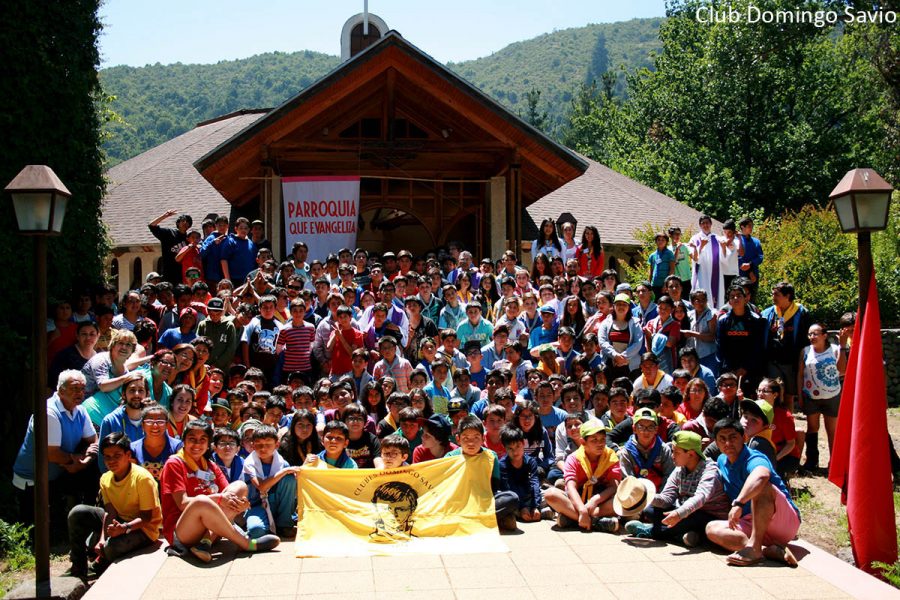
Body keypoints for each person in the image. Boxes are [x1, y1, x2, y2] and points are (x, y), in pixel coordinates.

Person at [705, 418, 800, 567]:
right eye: (722, 439)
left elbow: (761, 475)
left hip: (782, 520)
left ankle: (754, 549)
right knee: (712, 529)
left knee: (762, 486)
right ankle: (766, 550)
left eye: (733, 437)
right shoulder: (722, 460)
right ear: (716, 443)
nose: (728, 443)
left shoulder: (754, 457)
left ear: (744, 438)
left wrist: (739, 503)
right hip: (751, 522)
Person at [67, 433, 162, 578]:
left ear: (128, 455)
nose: (112, 461)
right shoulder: (105, 478)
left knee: (110, 547)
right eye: (107, 457)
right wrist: (102, 538)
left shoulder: (142, 478)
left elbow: (146, 517)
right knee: (78, 512)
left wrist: (124, 529)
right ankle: (78, 566)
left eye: (117, 455)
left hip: (143, 529)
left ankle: (101, 563)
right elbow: (110, 511)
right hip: (119, 521)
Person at [13, 370, 99, 528]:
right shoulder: (49, 412)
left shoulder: (80, 409)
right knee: (33, 529)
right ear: (61, 390)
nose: (80, 393)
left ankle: (88, 526)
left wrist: (85, 461)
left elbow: (93, 440)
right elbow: (52, 454)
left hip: (60, 472)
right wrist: (77, 461)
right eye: (75, 388)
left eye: (82, 388)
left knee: (95, 469)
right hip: (34, 477)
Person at [624, 431, 730, 546]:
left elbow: (701, 497)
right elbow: (666, 498)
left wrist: (679, 514)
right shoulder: (679, 469)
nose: (672, 455)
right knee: (650, 509)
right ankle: (682, 536)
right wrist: (645, 497)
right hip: (686, 512)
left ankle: (651, 531)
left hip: (708, 516)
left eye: (676, 452)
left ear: (691, 454)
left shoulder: (710, 471)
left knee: (694, 518)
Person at [544, 419, 621, 532]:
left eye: (602, 439)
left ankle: (572, 519)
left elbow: (613, 486)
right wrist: (582, 509)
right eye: (594, 440)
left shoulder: (610, 456)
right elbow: (570, 487)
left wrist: (595, 500)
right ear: (583, 442)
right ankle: (596, 522)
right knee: (550, 494)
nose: (600, 443)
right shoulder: (574, 458)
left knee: (623, 501)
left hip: (601, 501)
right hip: (578, 499)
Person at [446, 415, 519, 531]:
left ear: (483, 439)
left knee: (511, 498)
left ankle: (472, 520)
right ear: (458, 439)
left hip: (483, 502)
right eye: (466, 438)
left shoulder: (491, 456)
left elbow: (494, 487)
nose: (471, 443)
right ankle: (491, 520)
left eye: (476, 437)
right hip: (459, 502)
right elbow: (447, 488)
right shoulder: (450, 458)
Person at [797, 323, 846, 472]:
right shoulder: (805, 351)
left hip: (832, 395)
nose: (812, 337)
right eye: (810, 334)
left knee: (832, 430)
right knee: (812, 428)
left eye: (815, 334)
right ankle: (812, 461)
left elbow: (842, 370)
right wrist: (800, 395)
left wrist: (843, 346)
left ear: (825, 335)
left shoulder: (836, 350)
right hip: (811, 396)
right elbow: (800, 375)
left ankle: (835, 462)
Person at [761, 282, 812, 411]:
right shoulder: (768, 313)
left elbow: (806, 340)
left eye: (776, 294)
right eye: (773, 294)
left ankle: (789, 422)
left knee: (789, 395)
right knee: (773, 393)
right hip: (773, 361)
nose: (773, 297)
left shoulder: (801, 313)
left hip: (792, 362)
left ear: (787, 296)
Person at [243, 425, 300, 539]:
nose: (263, 448)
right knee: (255, 531)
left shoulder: (282, 464)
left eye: (268, 445)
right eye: (259, 444)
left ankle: (284, 524)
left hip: (277, 503)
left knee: (290, 479)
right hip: (257, 505)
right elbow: (261, 487)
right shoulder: (249, 464)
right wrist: (284, 471)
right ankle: (264, 524)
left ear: (277, 445)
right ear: (253, 445)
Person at [716, 285, 765, 397]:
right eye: (732, 296)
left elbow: (757, 347)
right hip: (729, 370)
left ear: (745, 298)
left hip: (750, 370)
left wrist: (745, 368)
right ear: (729, 301)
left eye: (739, 296)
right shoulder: (723, 321)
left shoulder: (755, 320)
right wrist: (729, 370)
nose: (736, 299)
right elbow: (720, 348)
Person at [617, 407, 675, 490]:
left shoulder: (664, 449)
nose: (646, 431)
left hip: (660, 494)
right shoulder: (626, 452)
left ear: (656, 429)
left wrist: (660, 497)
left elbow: (669, 476)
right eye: (641, 427)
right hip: (636, 495)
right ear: (634, 429)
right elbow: (628, 480)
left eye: (650, 427)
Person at [499, 426, 543, 523]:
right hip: (513, 495)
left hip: (528, 494)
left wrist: (535, 506)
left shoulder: (530, 462)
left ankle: (537, 509)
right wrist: (522, 507)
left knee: (547, 494)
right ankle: (517, 512)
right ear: (504, 448)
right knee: (508, 499)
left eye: (518, 446)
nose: (515, 452)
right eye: (510, 448)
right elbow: (509, 486)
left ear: (523, 443)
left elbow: (535, 483)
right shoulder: (502, 464)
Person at [131, 405, 182, 481]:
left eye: (160, 422)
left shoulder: (178, 447)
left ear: (167, 425)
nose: (155, 426)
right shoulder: (133, 448)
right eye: (149, 422)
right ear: (142, 425)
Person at [689, 215, 724, 309]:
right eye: (703, 223)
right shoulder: (695, 238)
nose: (705, 225)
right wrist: (701, 246)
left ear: (711, 224)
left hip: (715, 274)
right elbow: (695, 258)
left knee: (716, 298)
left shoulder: (717, 238)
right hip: (701, 273)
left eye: (707, 223)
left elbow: (724, 257)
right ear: (700, 225)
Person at [148, 209, 191, 284]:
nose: (185, 223)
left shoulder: (189, 239)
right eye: (183, 220)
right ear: (178, 223)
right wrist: (165, 216)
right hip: (168, 274)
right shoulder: (169, 233)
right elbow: (152, 226)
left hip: (182, 275)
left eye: (188, 222)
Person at [197, 297, 238, 371]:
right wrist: (202, 363)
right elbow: (197, 345)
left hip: (222, 368)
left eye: (218, 314)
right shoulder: (203, 325)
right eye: (212, 314)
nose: (215, 317)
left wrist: (217, 364)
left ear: (222, 312)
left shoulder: (229, 326)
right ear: (208, 312)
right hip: (204, 366)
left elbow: (231, 349)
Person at [737, 217, 764, 298]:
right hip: (740, 275)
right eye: (749, 226)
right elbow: (736, 257)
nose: (751, 228)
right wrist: (746, 268)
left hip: (754, 276)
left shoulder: (756, 241)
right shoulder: (736, 240)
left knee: (752, 299)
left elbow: (760, 257)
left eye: (752, 226)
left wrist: (750, 266)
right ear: (742, 227)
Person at [648, 233, 676, 299]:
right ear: (656, 241)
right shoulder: (652, 255)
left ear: (666, 242)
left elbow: (672, 269)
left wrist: (666, 285)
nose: (660, 242)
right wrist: (648, 285)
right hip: (654, 284)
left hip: (664, 285)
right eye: (658, 240)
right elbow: (650, 271)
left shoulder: (669, 254)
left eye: (663, 240)